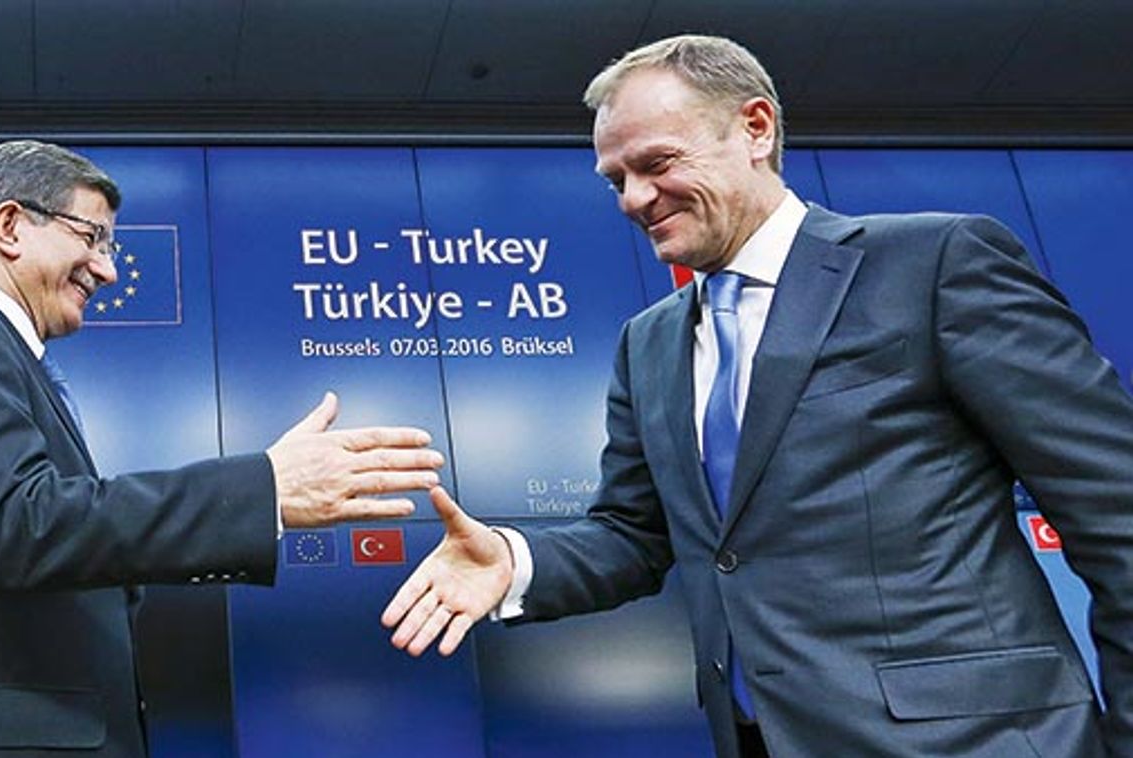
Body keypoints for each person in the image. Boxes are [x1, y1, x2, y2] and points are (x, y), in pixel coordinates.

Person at [382, 34, 1133, 758]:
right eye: (615, 180)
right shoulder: (648, 343)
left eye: (655, 164)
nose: (633, 199)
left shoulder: (933, 263)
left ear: (754, 128)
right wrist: (512, 563)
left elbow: (1116, 509)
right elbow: (633, 535)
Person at [0, 140, 444, 757]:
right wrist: (266, 491)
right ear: (10, 226)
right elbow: (23, 525)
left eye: (109, 246)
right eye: (90, 237)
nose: (108, 270)